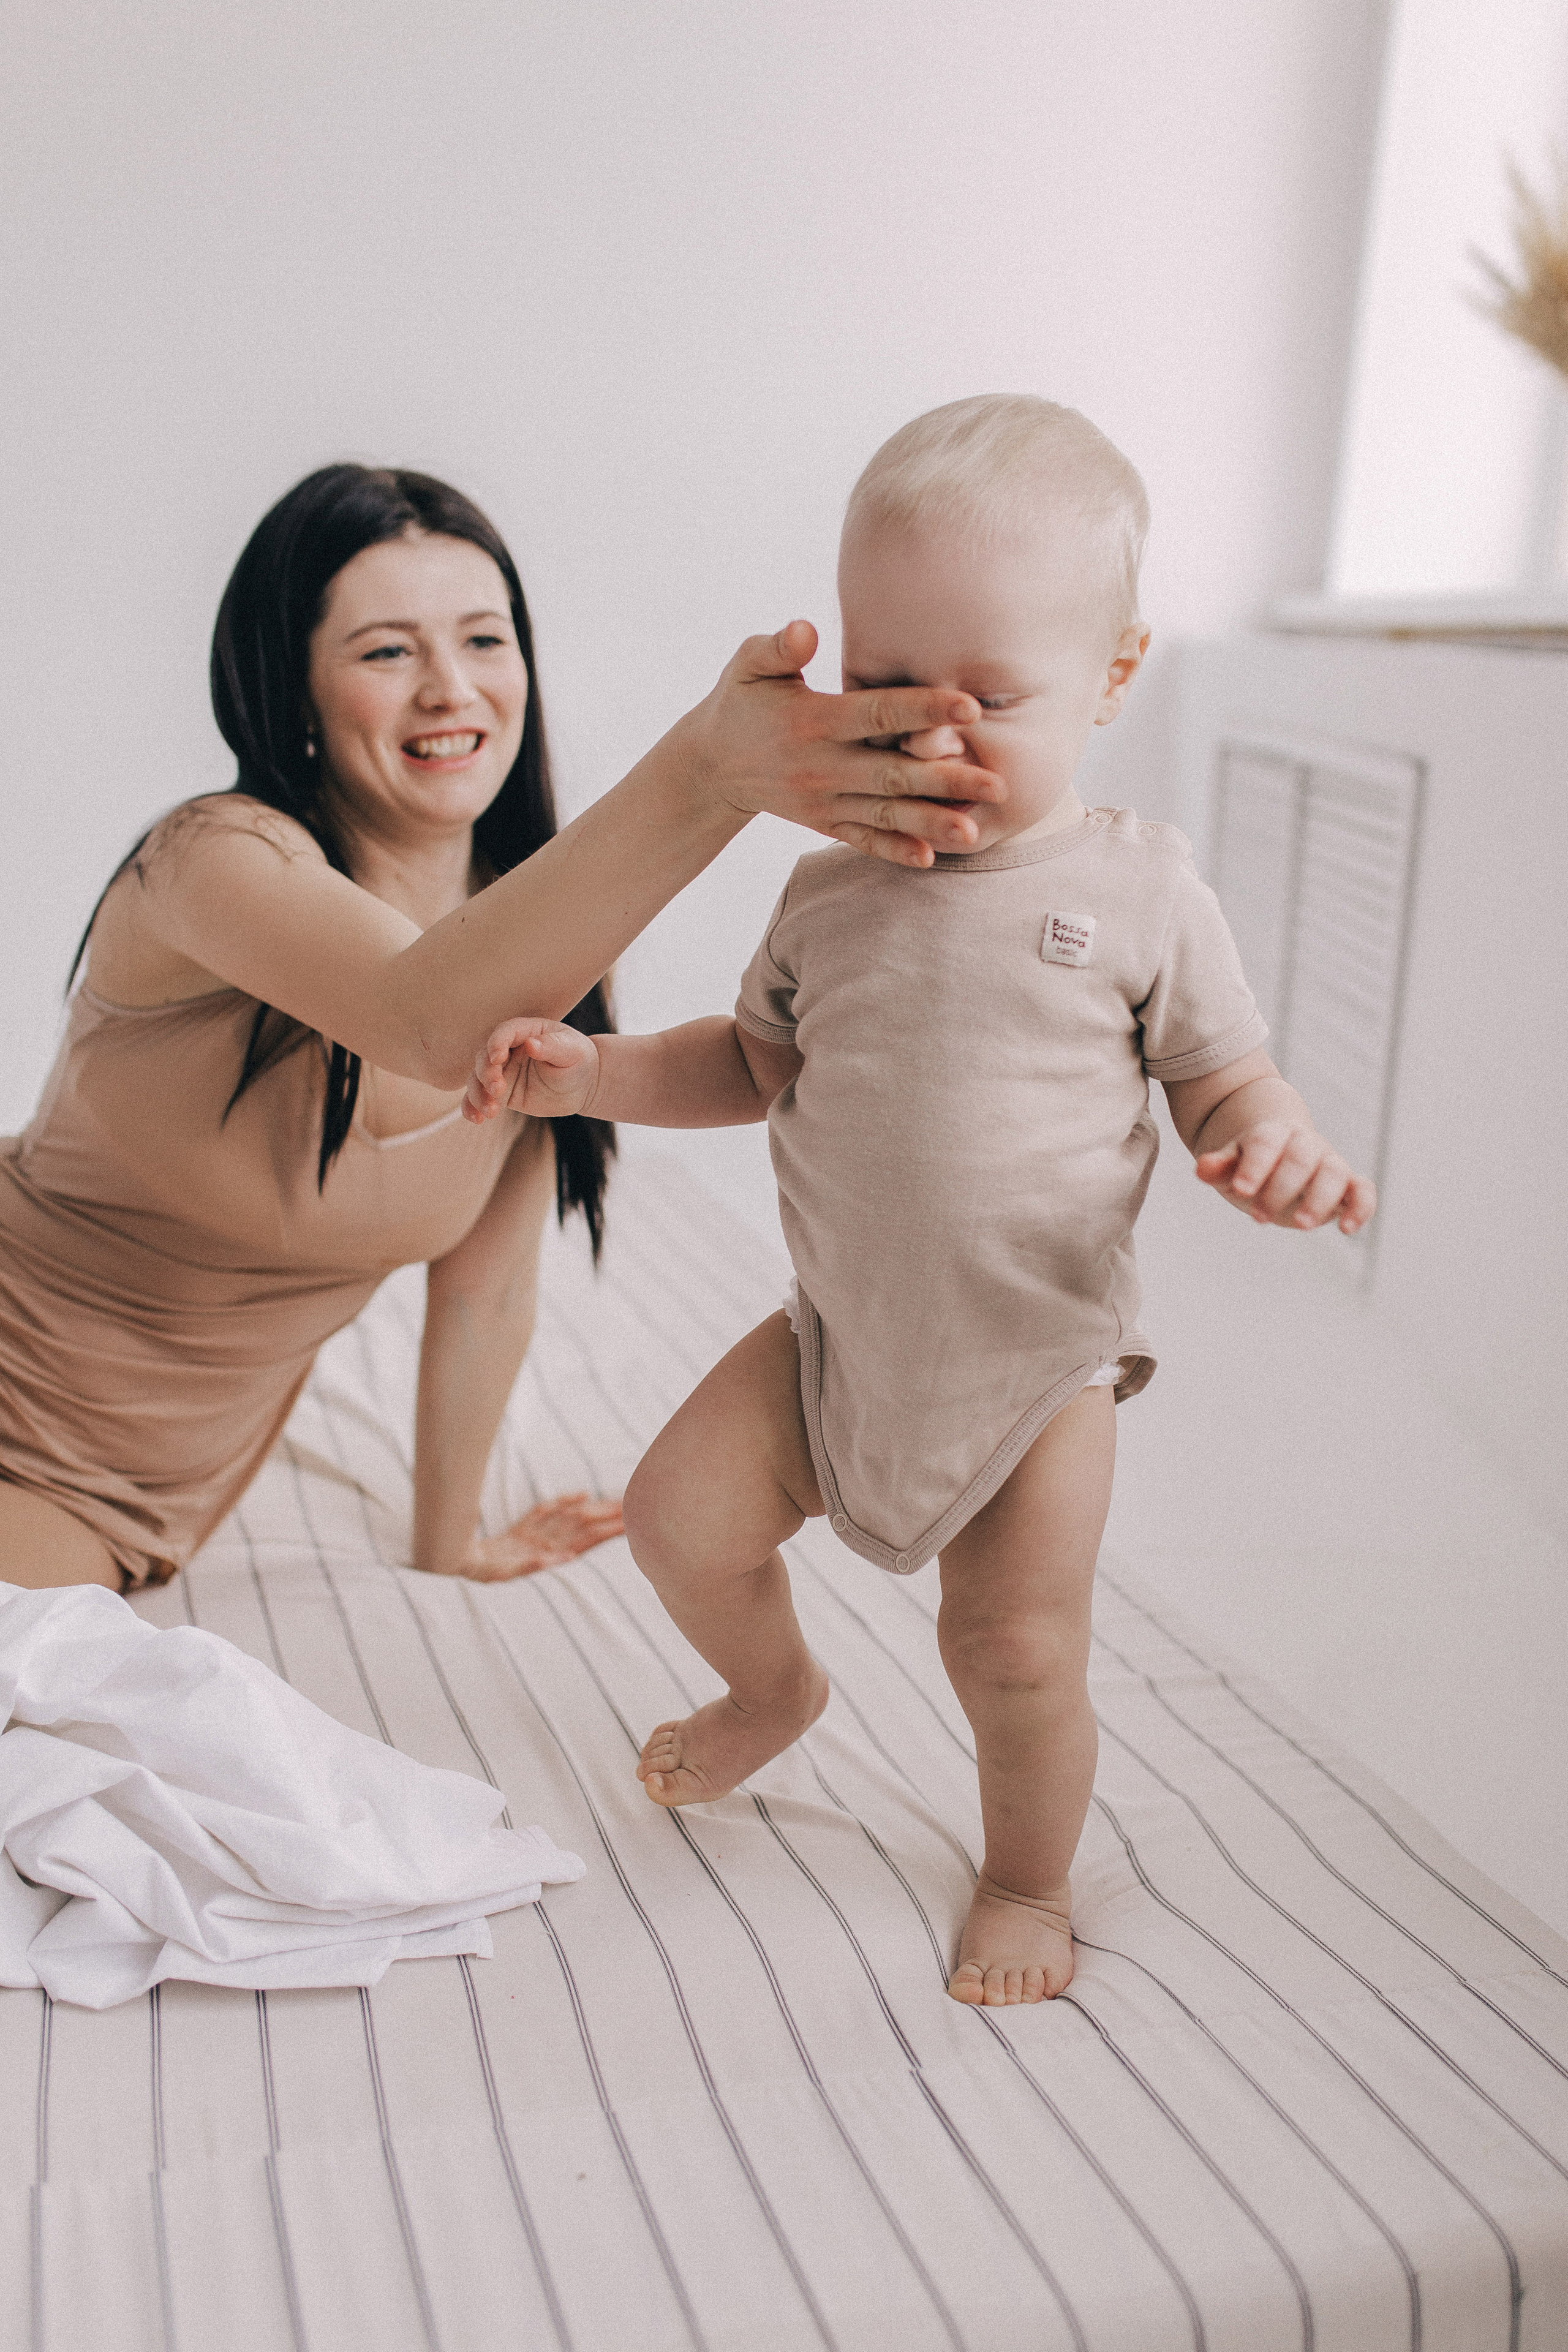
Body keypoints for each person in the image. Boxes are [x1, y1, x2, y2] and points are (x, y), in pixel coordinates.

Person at [461, 396, 1378, 2008]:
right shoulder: (828, 888)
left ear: (1110, 678)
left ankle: (1026, 1878)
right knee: (679, 1520)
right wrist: (591, 1073)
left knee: (1009, 1649)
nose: (931, 738)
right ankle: (775, 1690)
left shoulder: (1140, 890)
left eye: (992, 698)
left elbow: (1228, 1080)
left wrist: (1275, 1142)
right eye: (882, 689)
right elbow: (745, 1066)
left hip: (1035, 1374)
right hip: (833, 1346)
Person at [0, 464, 1007, 1596]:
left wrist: (450, 1547)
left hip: (119, 1490)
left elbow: (484, 1292)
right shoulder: (210, 863)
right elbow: (420, 1016)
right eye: (386, 652)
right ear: (295, 692)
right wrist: (709, 773)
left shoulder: (551, 952)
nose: (450, 690)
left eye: (485, 641)